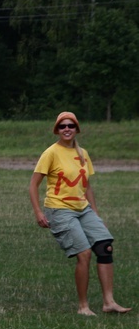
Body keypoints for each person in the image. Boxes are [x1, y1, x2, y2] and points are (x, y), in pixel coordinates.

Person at [28, 111, 131, 316]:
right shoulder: (51, 153)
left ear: (76, 129)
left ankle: (109, 302)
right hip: (59, 209)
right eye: (63, 126)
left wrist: (95, 212)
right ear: (57, 130)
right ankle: (83, 307)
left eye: (71, 126)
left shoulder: (82, 153)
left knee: (105, 247)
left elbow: (87, 185)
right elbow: (33, 185)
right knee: (84, 253)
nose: (67, 129)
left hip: (83, 208)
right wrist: (38, 211)